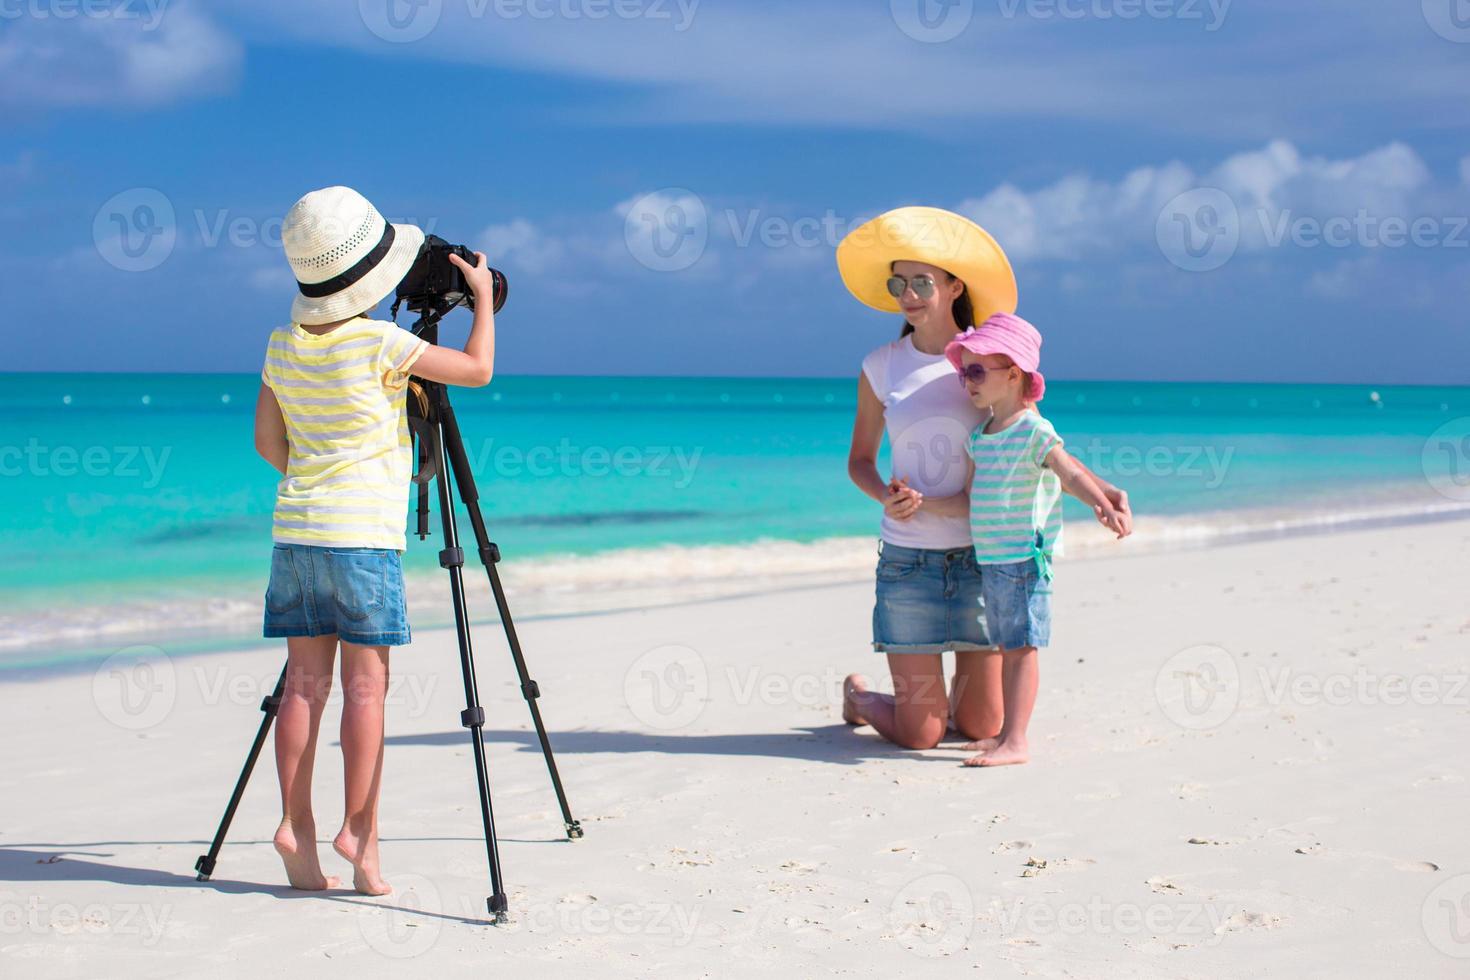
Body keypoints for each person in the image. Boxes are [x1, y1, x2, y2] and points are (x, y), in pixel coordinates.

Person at [253, 186, 498, 893]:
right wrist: (480, 296)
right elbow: (477, 371)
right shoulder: (384, 342)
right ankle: (359, 830)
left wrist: (320, 477)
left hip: (297, 530)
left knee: (302, 687)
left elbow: (270, 442)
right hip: (362, 535)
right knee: (367, 690)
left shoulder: (281, 344)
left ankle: (295, 825)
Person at [834, 207, 1131, 751]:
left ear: (953, 286)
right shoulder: (881, 366)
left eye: (922, 280)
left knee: (982, 727)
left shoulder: (987, 356)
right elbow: (859, 460)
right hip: (909, 562)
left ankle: (935, 703)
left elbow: (1035, 437)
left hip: (984, 558)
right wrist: (885, 497)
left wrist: (1100, 489)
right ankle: (861, 698)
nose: (908, 293)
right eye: (898, 282)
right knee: (921, 735)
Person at [945, 314, 1128, 767]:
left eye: (976, 371)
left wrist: (1098, 502)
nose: (966, 381)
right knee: (1007, 647)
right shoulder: (979, 436)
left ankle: (1017, 741)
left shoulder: (1032, 430)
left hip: (1024, 558)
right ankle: (1006, 734)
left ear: (1012, 374)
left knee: (1022, 649)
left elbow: (1067, 472)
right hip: (990, 559)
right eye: (963, 371)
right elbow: (971, 495)